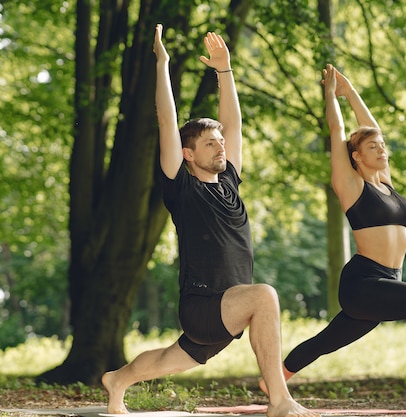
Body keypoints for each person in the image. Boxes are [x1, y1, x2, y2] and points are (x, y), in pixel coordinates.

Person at [101, 24, 320, 417]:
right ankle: (280, 400)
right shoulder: (181, 187)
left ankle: (117, 380)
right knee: (265, 295)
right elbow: (168, 123)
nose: (221, 146)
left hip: (228, 310)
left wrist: (225, 71)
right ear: (188, 154)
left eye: (221, 142)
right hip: (204, 304)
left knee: (169, 360)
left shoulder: (230, 182)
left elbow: (232, 124)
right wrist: (162, 65)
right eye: (209, 143)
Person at [261, 64, 406, 414]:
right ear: (356, 156)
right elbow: (337, 130)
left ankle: (272, 379)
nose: (382, 149)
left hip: (386, 281)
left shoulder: (385, 182)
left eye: (382, 146)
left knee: (326, 341)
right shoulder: (351, 186)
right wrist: (330, 95)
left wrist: (351, 92)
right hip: (364, 281)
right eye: (372, 147)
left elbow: (374, 128)